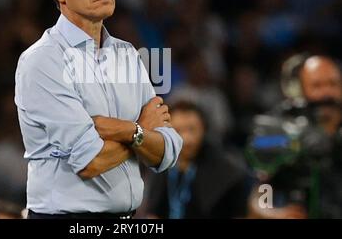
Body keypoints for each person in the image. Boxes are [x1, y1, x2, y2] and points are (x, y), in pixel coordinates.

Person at [14, 0, 182, 219]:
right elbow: (90, 160)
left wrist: (121, 130)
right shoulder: (43, 60)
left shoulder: (127, 53)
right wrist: (140, 130)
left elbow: (167, 151)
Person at [248, 55, 342, 218]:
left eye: (332, 84)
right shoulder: (283, 126)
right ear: (300, 91)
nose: (327, 93)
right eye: (317, 86)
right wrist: (271, 213)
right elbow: (263, 188)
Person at [146, 101, 249, 219]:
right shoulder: (162, 163)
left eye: (192, 129)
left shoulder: (227, 171)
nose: (186, 139)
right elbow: (153, 212)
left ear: (204, 129)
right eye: (178, 130)